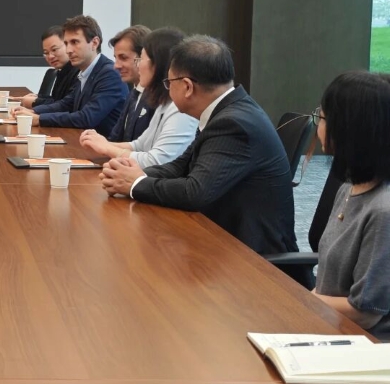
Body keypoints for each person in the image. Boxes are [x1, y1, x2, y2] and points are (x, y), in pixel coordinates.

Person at [100, 34, 299, 257]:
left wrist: (136, 183)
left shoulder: (233, 124)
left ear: (187, 86)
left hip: (253, 258)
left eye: (169, 83)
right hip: (224, 239)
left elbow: (195, 192)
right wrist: (130, 174)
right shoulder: (225, 110)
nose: (167, 89)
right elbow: (180, 166)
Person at [311, 71, 390, 336]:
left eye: (321, 117)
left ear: (347, 129)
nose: (317, 126)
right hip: (328, 327)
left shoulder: (383, 210)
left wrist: (301, 300)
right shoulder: (349, 187)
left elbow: (365, 314)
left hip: (363, 345)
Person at [78, 27, 198, 168]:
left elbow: (156, 161)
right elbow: (139, 145)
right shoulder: (164, 101)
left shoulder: (181, 109)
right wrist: (102, 143)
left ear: (158, 64)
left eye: (141, 59)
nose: (138, 65)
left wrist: (107, 148)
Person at [12, 14, 127, 133]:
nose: (68, 50)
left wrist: (39, 119)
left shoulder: (110, 74)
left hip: (102, 143)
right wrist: (33, 112)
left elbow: (86, 118)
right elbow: (66, 104)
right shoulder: (85, 71)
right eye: (66, 44)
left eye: (75, 42)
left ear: (94, 43)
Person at [106, 25, 154, 142]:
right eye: (116, 58)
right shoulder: (133, 94)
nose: (116, 66)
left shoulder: (158, 99)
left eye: (123, 58)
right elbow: (115, 138)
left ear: (144, 57)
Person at [17, 26, 76, 108]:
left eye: (54, 49)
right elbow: (57, 99)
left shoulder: (78, 72)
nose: (50, 56)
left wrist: (35, 102)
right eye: (46, 53)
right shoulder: (62, 71)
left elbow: (66, 106)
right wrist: (38, 97)